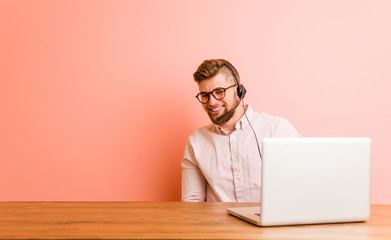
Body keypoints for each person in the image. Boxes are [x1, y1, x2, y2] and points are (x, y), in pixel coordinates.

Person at [181, 59, 301, 202]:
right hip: (217, 224)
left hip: (269, 223)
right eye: (205, 95)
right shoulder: (196, 142)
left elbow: (304, 185)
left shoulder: (277, 130)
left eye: (219, 92)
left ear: (239, 91)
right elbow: (192, 201)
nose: (212, 102)